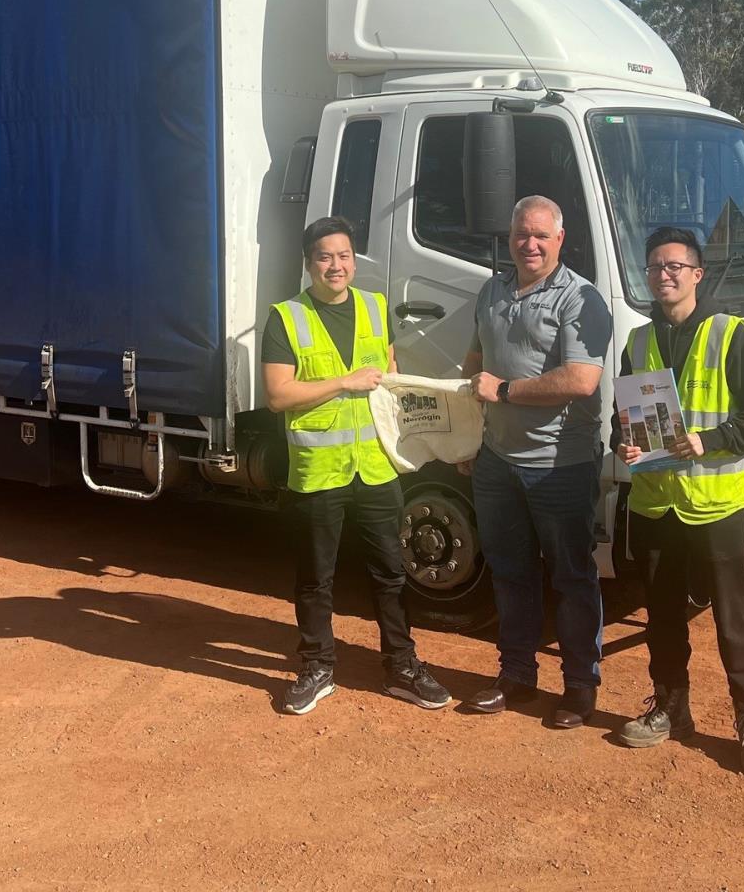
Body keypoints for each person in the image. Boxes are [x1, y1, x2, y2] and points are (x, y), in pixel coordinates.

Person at [612, 226, 744, 776]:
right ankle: (670, 707)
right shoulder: (637, 342)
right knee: (662, 616)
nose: (663, 276)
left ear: (696, 274)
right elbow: (626, 419)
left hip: (715, 504)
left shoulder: (731, 335)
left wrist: (711, 440)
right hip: (656, 503)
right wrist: (625, 443)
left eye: (674, 267)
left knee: (734, 618)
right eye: (655, 267)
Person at [262, 215, 450, 716]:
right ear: (309, 264)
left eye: (344, 256)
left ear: (354, 261)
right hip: (319, 472)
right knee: (315, 577)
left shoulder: (376, 306)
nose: (336, 265)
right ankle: (317, 666)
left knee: (391, 572)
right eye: (325, 256)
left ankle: (402, 666)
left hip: (375, 468)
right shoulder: (286, 317)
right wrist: (343, 382)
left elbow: (388, 375)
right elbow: (278, 395)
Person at [461, 195, 613, 729]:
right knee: (509, 571)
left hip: (559, 464)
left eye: (541, 236)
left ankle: (579, 686)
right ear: (510, 237)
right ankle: (517, 675)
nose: (530, 244)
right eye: (522, 234)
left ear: (560, 240)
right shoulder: (492, 289)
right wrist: (468, 437)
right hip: (497, 461)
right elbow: (474, 359)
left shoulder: (581, 298)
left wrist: (503, 390)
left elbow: (580, 379)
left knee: (572, 576)